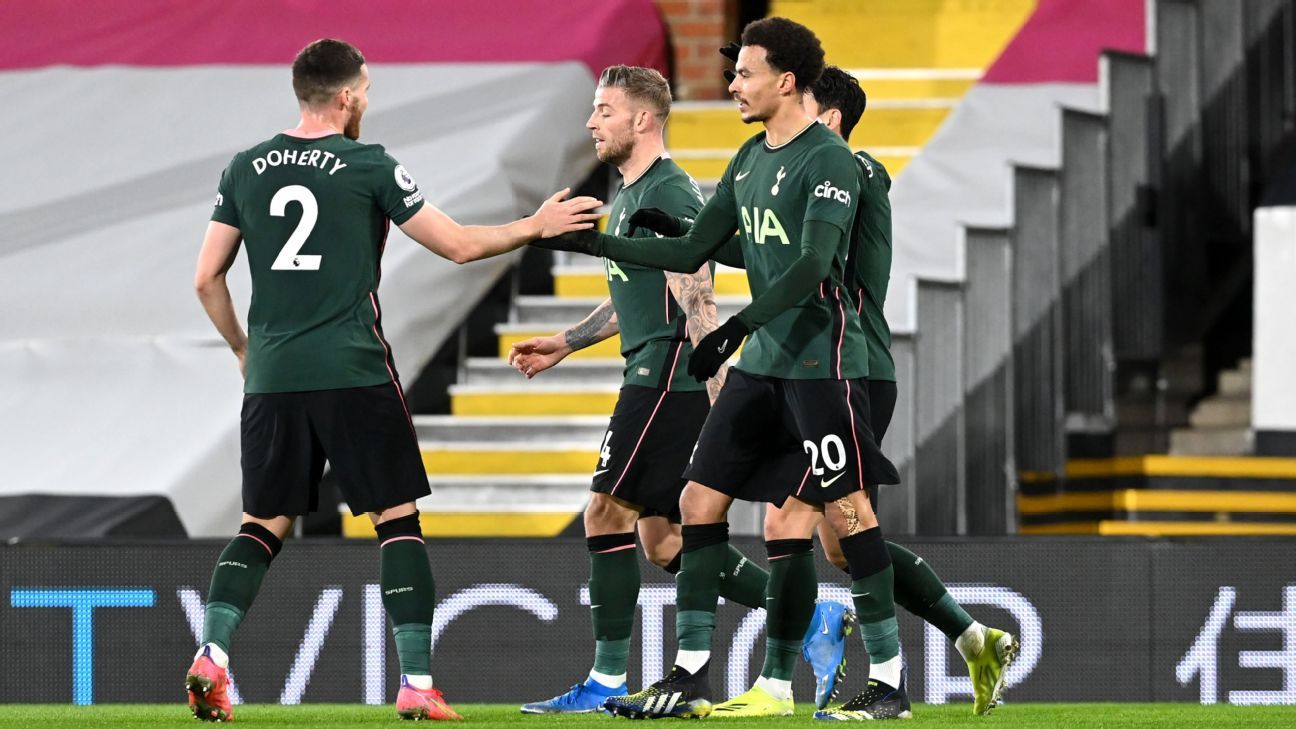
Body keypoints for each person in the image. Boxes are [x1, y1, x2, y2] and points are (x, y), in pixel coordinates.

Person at [186, 38, 601, 723]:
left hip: (273, 377)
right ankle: (416, 682)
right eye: (367, 92)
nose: (367, 103)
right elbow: (458, 245)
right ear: (348, 95)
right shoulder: (369, 164)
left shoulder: (245, 167)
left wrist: (243, 349)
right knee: (397, 521)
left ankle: (212, 653)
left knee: (261, 524)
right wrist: (536, 224)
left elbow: (207, 277)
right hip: (352, 368)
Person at [537, 17, 904, 720]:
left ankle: (890, 680)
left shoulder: (831, 160)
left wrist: (735, 326)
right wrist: (596, 245)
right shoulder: (748, 157)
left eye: (744, 73)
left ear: (785, 82)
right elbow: (697, 249)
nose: (731, 84)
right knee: (698, 503)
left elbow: (812, 264)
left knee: (848, 514)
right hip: (762, 367)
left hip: (820, 362)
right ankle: (690, 675)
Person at [508, 65, 776, 715]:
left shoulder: (671, 192)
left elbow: (698, 297)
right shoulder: (631, 193)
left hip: (668, 376)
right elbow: (635, 291)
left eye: (604, 110)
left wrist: (720, 396)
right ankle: (807, 611)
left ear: (643, 119)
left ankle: (604, 680)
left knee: (604, 513)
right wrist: (568, 340)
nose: (591, 122)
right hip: (655, 370)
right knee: (662, 542)